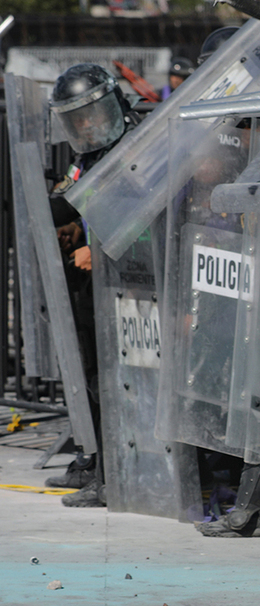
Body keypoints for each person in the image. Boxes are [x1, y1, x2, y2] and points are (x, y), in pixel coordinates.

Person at [44, 64, 141, 507]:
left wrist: (98, 253)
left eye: (89, 115)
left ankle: (116, 476)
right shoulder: (90, 155)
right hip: (94, 285)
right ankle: (98, 464)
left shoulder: (136, 147)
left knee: (119, 383)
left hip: (131, 284)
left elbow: (147, 217)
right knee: (94, 378)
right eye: (76, 119)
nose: (84, 126)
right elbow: (67, 201)